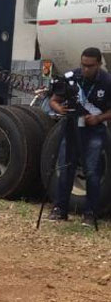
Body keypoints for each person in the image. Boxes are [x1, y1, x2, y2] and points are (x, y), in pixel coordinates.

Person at [48, 47, 111, 225]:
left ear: (99, 64)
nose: (85, 69)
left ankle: (90, 213)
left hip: (94, 132)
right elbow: (53, 100)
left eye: (90, 66)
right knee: (65, 169)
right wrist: (60, 108)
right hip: (71, 129)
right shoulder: (72, 77)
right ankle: (60, 209)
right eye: (83, 65)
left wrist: (98, 118)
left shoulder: (107, 81)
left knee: (92, 172)